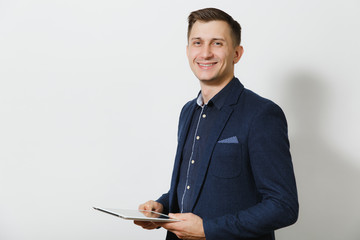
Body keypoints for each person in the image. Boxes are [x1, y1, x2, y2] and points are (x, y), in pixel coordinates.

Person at [134, 7, 298, 240]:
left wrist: (207, 229)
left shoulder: (262, 114)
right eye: (197, 42)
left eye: (217, 43)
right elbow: (192, 184)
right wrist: (161, 208)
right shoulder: (188, 111)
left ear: (237, 53)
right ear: (188, 50)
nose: (206, 53)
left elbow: (283, 206)